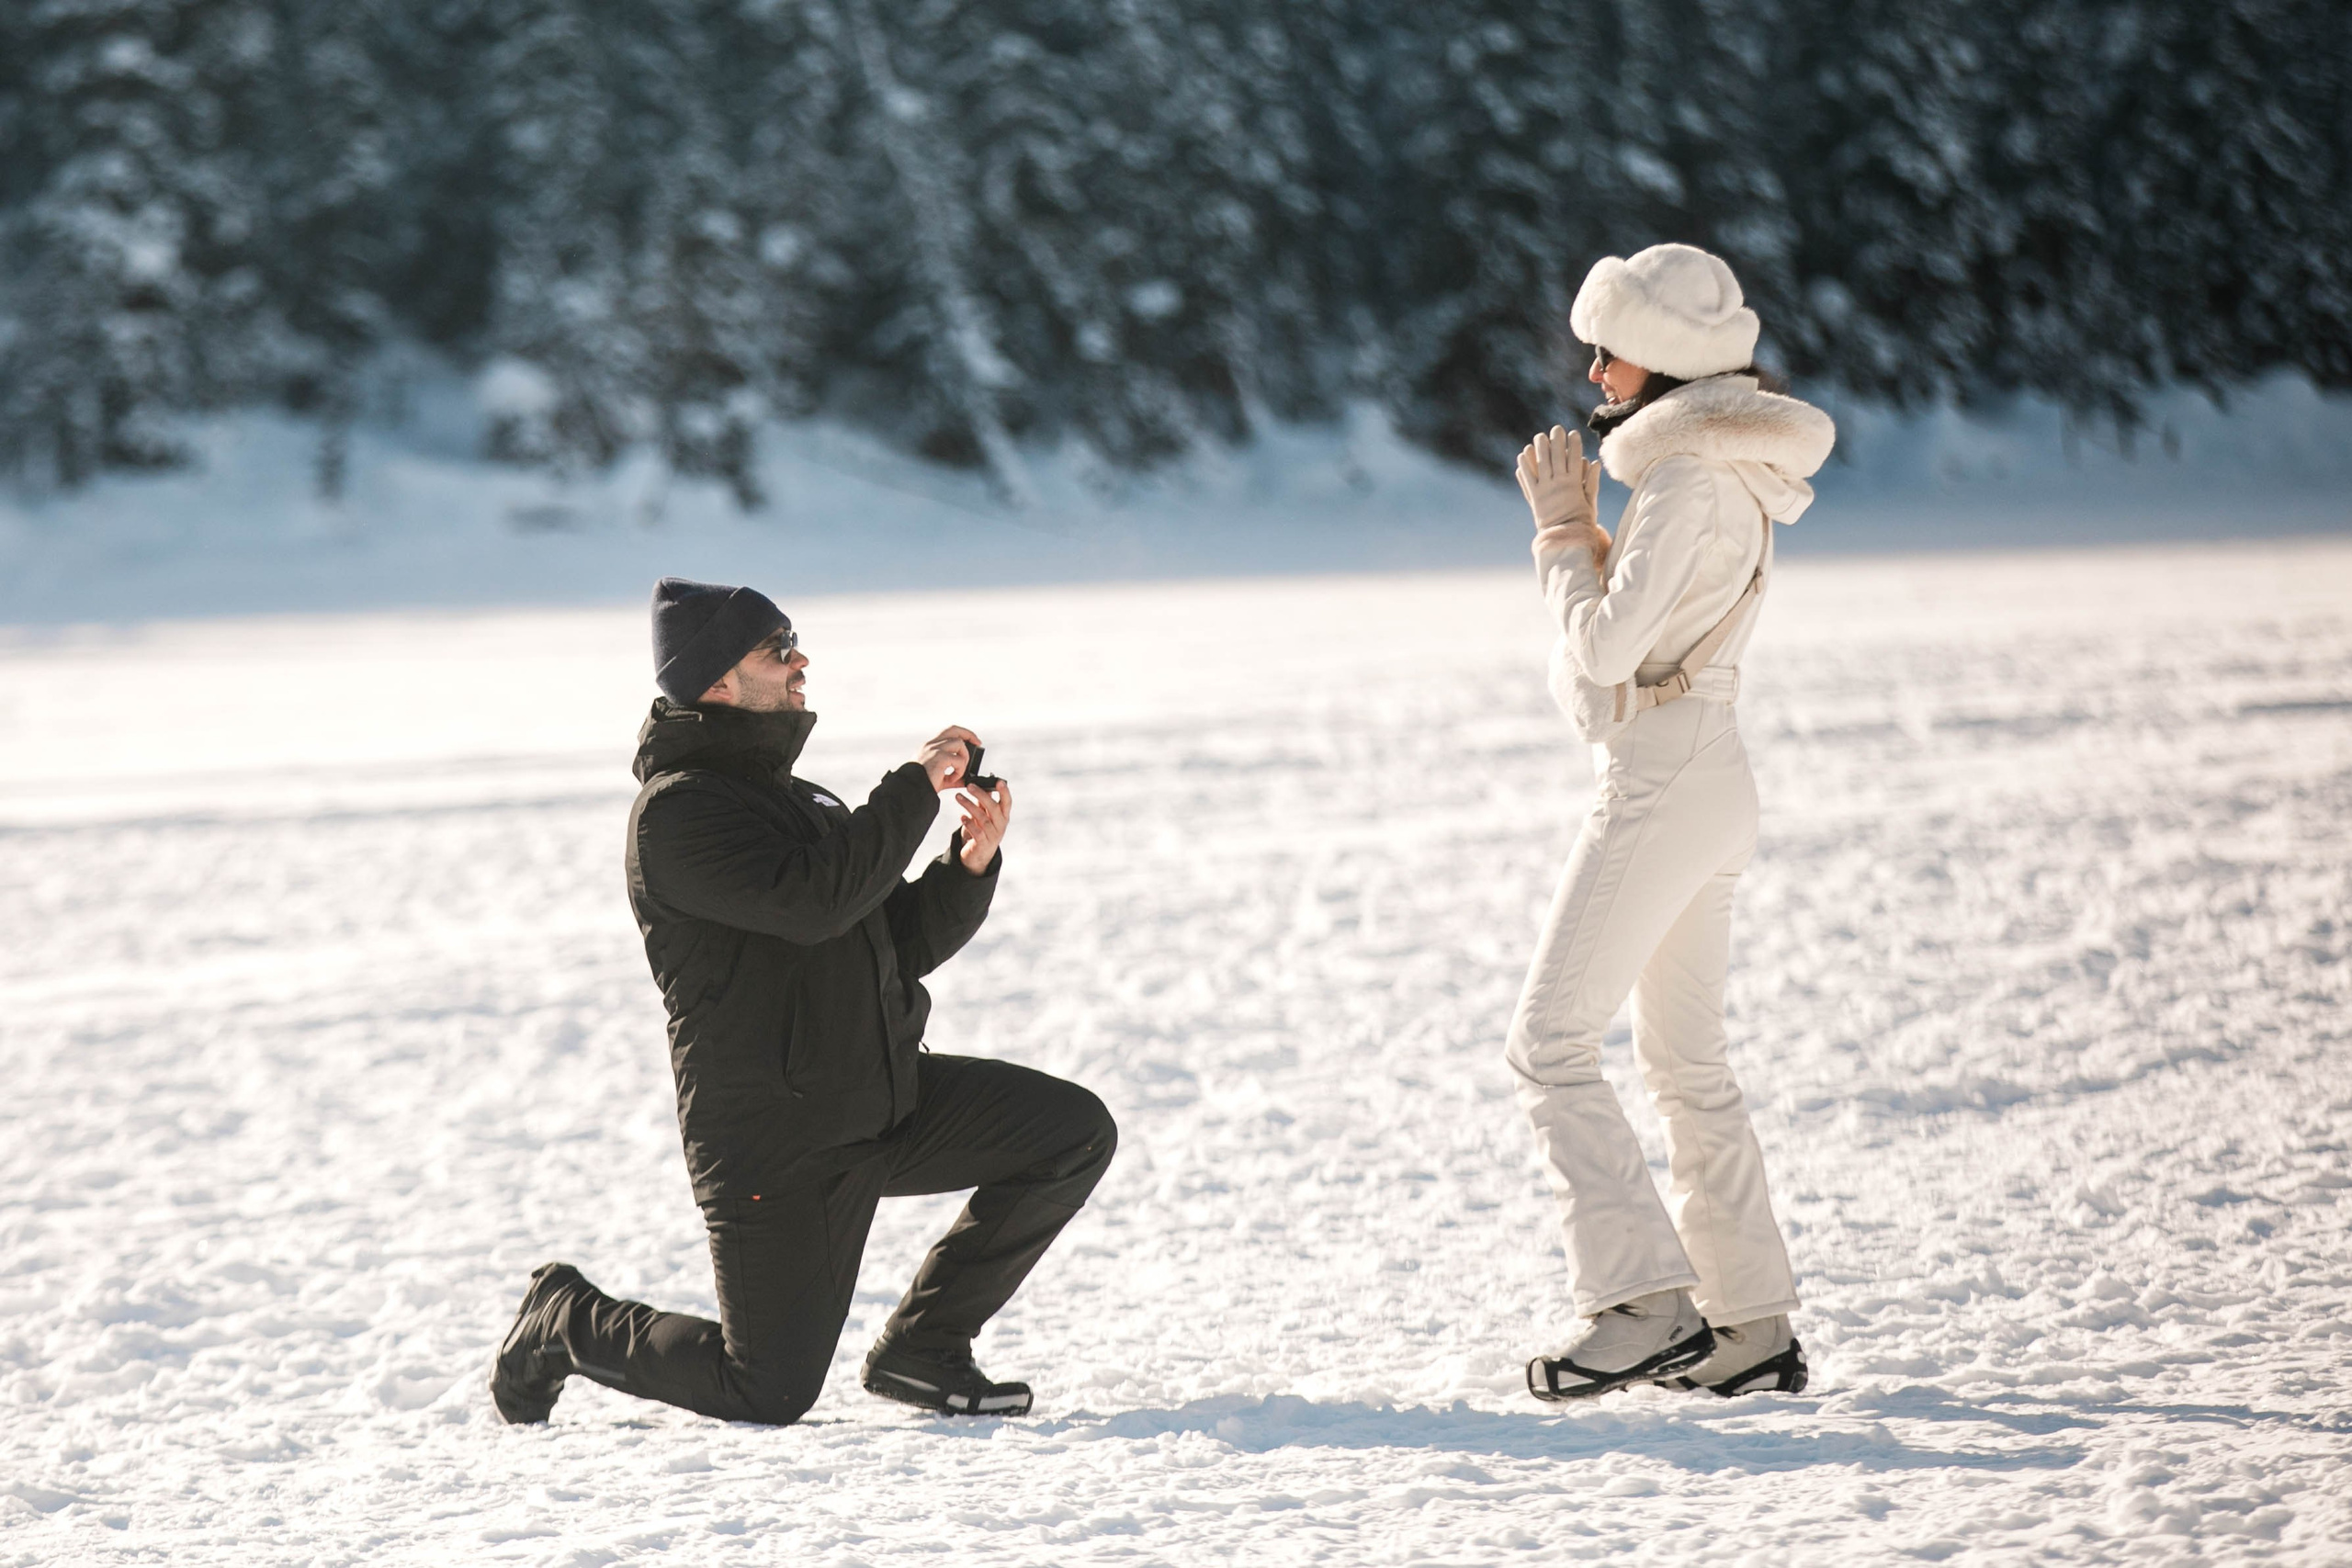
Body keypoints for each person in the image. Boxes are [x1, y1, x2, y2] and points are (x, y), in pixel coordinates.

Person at [491, 577, 1116, 1426]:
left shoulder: (803, 802)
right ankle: (566, 1318)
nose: (801, 660)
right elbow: (814, 900)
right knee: (768, 1388)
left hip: (881, 1100)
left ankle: (923, 1347)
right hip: (776, 1146)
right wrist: (913, 787)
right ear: (716, 681)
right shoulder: (676, 819)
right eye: (777, 648)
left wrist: (966, 865)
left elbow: (891, 943)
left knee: (1070, 1132)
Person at [1507, 243, 1833, 1402]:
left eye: (1611, 350)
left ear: (1673, 362)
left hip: (1663, 776)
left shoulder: (1689, 481)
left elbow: (1602, 650)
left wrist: (1560, 536)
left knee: (1546, 1044)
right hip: (1708, 767)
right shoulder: (1720, 473)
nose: (1593, 373)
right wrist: (1599, 543)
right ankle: (1749, 1328)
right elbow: (1646, 631)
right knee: (1686, 1062)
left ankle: (1641, 1303)